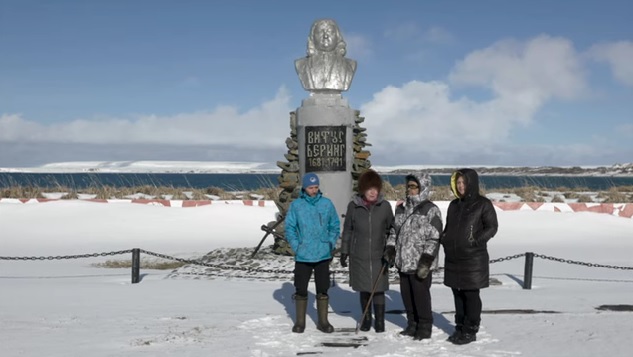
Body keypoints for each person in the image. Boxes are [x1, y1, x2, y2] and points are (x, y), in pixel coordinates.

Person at [441, 168, 499, 345]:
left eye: (463, 182)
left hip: (473, 258)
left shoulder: (483, 204)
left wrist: (475, 241)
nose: (460, 186)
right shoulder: (454, 205)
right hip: (453, 258)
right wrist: (445, 238)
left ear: (471, 183)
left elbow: (492, 227)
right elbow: (449, 227)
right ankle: (460, 326)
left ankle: (470, 329)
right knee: (457, 293)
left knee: (470, 294)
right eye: (458, 183)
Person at [384, 172, 443, 340]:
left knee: (420, 296)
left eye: (414, 186)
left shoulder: (431, 210)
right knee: (407, 295)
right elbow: (394, 232)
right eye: (409, 186)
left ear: (422, 188)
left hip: (420, 263)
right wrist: (390, 249)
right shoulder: (401, 209)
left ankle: (425, 326)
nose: (410, 190)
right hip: (404, 261)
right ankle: (412, 324)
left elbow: (435, 237)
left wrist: (426, 260)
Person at [285, 172, 341, 334]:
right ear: (304, 187)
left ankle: (323, 322)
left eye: (316, 187)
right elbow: (289, 227)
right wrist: (297, 245)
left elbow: (334, 225)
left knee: (323, 288)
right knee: (301, 288)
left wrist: (330, 242)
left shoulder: (326, 204)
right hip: (303, 255)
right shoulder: (296, 206)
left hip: (323, 254)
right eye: (310, 187)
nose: (314, 190)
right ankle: (300, 322)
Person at [340, 169, 394, 333]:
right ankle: (366, 319)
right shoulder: (354, 207)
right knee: (364, 288)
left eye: (375, 188)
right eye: (369, 188)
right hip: (359, 255)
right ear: (363, 189)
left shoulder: (384, 207)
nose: (372, 192)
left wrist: (391, 249)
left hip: (379, 254)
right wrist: (345, 251)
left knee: (379, 289)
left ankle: (380, 321)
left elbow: (392, 229)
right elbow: (348, 230)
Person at [295, 19, 357, 92]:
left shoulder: (350, 65)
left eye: (330, 31)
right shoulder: (301, 64)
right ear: (312, 37)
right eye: (320, 32)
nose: (325, 36)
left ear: (337, 37)